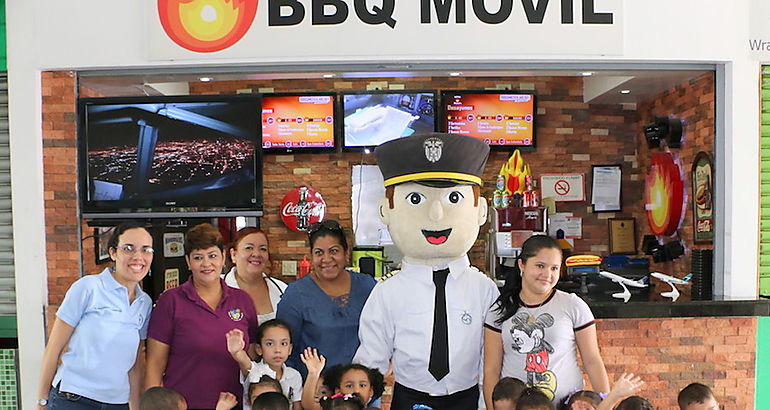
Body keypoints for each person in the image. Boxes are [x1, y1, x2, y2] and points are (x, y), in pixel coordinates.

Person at [354, 133, 500, 410]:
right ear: (386, 210)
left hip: (468, 399)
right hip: (410, 399)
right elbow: (371, 358)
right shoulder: (387, 292)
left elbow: (490, 358)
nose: (435, 214)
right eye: (416, 199)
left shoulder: (484, 289)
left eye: (454, 198)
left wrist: (486, 404)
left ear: (480, 211)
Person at [36, 221, 154, 410]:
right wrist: (41, 402)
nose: (138, 257)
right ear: (113, 253)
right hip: (73, 399)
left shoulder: (145, 303)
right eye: (129, 248)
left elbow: (135, 364)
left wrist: (135, 406)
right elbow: (53, 348)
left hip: (117, 404)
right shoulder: (88, 287)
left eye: (146, 250)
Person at [484, 235, 610, 407]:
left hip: (565, 406)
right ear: (522, 264)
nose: (547, 275)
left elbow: (592, 361)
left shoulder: (573, 305)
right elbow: (491, 370)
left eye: (554, 268)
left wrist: (606, 403)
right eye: (540, 266)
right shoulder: (499, 310)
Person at [145, 223, 259, 408]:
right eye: (198, 257)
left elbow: (254, 362)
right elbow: (154, 366)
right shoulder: (170, 301)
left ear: (223, 258)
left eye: (212, 256)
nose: (206, 264)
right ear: (188, 262)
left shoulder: (242, 300)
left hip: (234, 405)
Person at [276, 220, 376, 379]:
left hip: (363, 389)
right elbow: (285, 349)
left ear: (346, 253)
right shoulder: (296, 294)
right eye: (319, 253)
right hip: (317, 393)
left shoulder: (367, 286)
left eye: (334, 251)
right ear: (311, 256)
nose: (326, 259)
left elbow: (386, 332)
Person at [227, 319, 303, 409]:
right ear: (259, 349)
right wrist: (237, 352)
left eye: (283, 343)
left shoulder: (294, 375)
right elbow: (244, 361)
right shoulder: (255, 371)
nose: (277, 350)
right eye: (270, 344)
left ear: (290, 349)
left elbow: (297, 405)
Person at [224, 227, 288, 324]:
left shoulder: (283, 289)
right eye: (249, 248)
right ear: (233, 254)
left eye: (263, 249)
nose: (257, 254)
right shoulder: (217, 289)